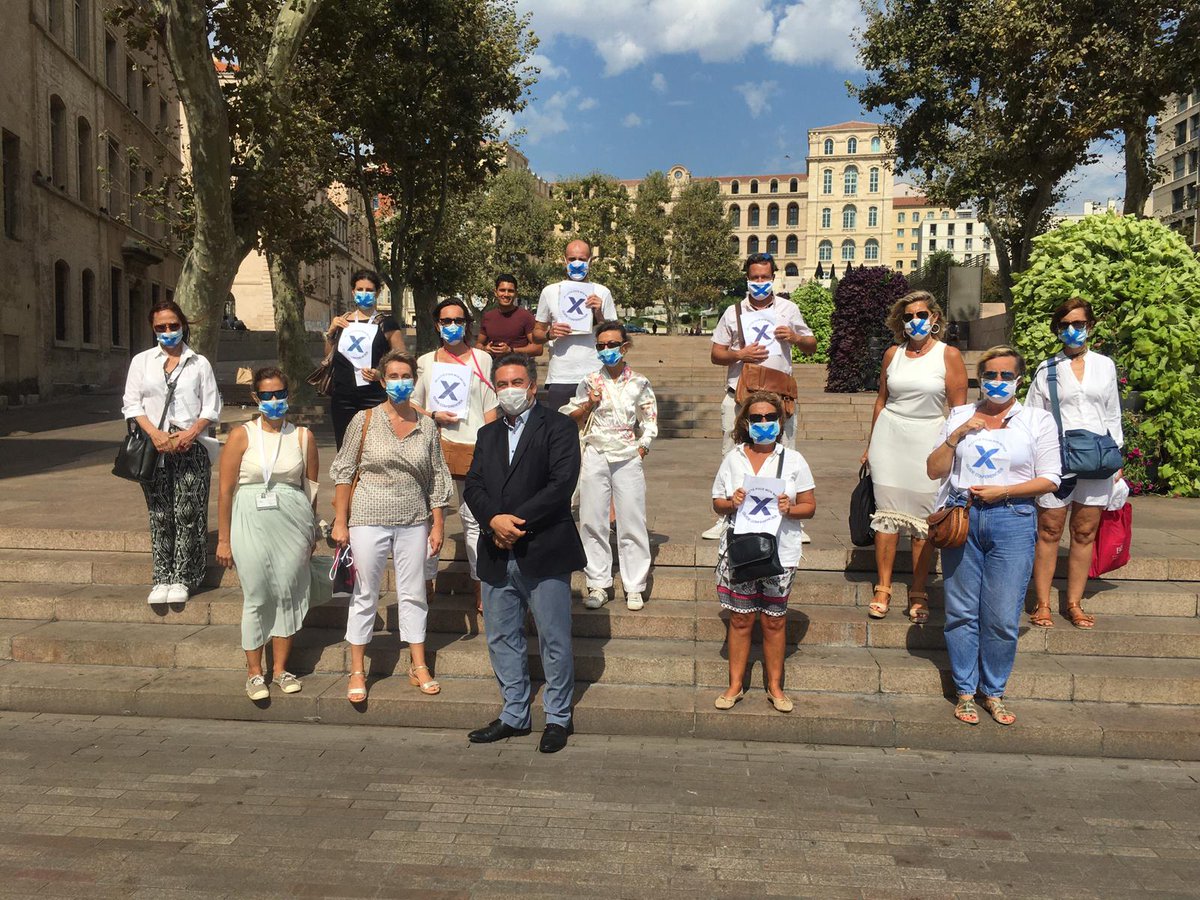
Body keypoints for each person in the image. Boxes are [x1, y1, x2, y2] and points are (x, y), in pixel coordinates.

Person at [926, 346, 1061, 727]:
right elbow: (933, 470)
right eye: (990, 375)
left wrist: (1004, 491)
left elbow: (1050, 477)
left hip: (1012, 519)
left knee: (1002, 615)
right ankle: (966, 690)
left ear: (1019, 379)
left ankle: (994, 690)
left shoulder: (1036, 420)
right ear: (979, 379)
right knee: (961, 611)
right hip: (963, 520)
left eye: (1006, 376)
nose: (997, 383)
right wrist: (956, 436)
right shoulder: (960, 415)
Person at [463, 353, 586, 753]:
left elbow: (560, 484)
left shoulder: (560, 427)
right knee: (502, 636)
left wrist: (514, 522)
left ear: (532, 386)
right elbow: (474, 486)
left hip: (543, 546)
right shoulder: (488, 434)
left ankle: (557, 717)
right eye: (502, 383)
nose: (510, 389)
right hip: (496, 551)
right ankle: (514, 713)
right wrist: (492, 521)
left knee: (553, 637)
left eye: (517, 382)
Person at [329, 350, 452, 704]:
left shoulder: (427, 425)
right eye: (394, 376)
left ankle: (418, 663)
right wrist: (341, 521)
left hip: (414, 519)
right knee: (365, 592)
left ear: (415, 380)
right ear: (382, 381)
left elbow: (437, 478)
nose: (400, 382)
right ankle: (356, 668)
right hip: (368, 516)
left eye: (406, 376)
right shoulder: (364, 420)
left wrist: (438, 524)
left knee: (413, 591)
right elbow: (343, 470)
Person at [215, 367, 329, 700]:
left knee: (289, 593)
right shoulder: (241, 435)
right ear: (256, 398)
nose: (274, 400)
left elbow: (310, 487)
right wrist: (223, 538)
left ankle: (280, 669)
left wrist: (311, 532)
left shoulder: (303, 436)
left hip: (292, 522)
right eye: (267, 395)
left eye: (279, 394)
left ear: (288, 395)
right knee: (258, 593)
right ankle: (254, 672)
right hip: (250, 519)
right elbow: (224, 490)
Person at [862, 291, 968, 622]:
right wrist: (870, 443)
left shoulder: (948, 355)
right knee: (887, 516)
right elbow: (882, 399)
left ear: (935, 318)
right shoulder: (893, 353)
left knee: (924, 521)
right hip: (889, 439)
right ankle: (883, 586)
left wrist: (954, 449)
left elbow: (959, 409)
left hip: (928, 441)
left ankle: (919, 589)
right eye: (908, 317)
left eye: (921, 314)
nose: (915, 321)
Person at [711, 392, 816, 713]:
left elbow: (809, 506)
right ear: (745, 423)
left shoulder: (794, 461)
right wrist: (733, 502)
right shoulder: (733, 459)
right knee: (741, 619)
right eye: (756, 418)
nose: (763, 423)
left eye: (770, 417)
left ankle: (775, 687)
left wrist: (790, 508)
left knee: (774, 622)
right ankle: (735, 685)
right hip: (740, 550)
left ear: (780, 421)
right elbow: (717, 502)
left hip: (780, 552)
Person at [703, 252, 816, 540]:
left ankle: (791, 518)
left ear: (773, 277)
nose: (760, 282)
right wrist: (739, 354)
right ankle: (728, 516)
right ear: (747, 279)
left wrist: (794, 337)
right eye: (755, 278)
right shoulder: (734, 312)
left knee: (785, 454)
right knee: (733, 453)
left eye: (765, 277)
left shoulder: (788, 309)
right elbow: (717, 353)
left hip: (779, 395)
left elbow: (811, 344)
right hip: (741, 394)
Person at [1026, 299, 1124, 630]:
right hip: (1057, 459)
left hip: (1097, 460)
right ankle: (1042, 604)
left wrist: (1117, 457)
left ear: (1089, 326)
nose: (1072, 330)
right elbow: (1033, 418)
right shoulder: (1046, 368)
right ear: (1057, 329)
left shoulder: (1105, 366)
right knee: (1050, 529)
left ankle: (1073, 603)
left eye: (1078, 323)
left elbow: (1112, 412)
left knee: (1084, 532)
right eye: (1065, 324)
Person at [122, 299, 222, 605]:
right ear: (153, 329)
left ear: (183, 326)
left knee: (189, 513)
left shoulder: (199, 363)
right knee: (161, 512)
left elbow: (211, 406)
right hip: (155, 448)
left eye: (173, 326)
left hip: (190, 447)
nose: (168, 332)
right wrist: (155, 434)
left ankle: (185, 576)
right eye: (161, 327)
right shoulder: (142, 361)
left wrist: (191, 433)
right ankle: (162, 575)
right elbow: (132, 403)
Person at [562, 321, 658, 611]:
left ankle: (634, 585)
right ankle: (598, 582)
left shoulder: (640, 382)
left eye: (612, 345)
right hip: (596, 450)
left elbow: (649, 420)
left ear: (624, 346)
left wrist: (642, 447)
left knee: (631, 518)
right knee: (592, 519)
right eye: (601, 346)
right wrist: (590, 403)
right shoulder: (591, 380)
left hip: (627, 452)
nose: (607, 350)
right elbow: (571, 416)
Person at [414, 298, 499, 615]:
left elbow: (490, 405)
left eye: (458, 320)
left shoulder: (482, 359)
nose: (452, 326)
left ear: (467, 323)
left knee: (474, 520)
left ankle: (481, 584)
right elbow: (413, 404)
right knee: (427, 518)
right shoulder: (425, 362)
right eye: (446, 320)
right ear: (437, 324)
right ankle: (425, 578)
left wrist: (493, 447)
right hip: (436, 447)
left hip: (474, 448)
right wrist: (434, 415)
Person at [532, 239, 618, 412]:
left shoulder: (602, 292)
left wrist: (599, 314)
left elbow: (616, 335)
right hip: (561, 376)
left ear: (590, 261)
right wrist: (550, 333)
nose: (577, 264)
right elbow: (536, 334)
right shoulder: (550, 291)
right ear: (565, 261)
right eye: (572, 259)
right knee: (561, 433)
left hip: (595, 374)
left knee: (596, 432)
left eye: (582, 259)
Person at [324, 269, 405, 449]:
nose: (364, 294)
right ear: (353, 292)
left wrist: (381, 374)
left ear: (377, 293)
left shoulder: (387, 323)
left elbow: (402, 359)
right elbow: (329, 357)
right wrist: (330, 333)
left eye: (369, 290)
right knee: (345, 448)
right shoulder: (343, 322)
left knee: (375, 447)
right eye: (360, 289)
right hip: (343, 397)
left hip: (374, 396)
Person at [478, 274, 542, 359]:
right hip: (493, 369)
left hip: (518, 368)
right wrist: (485, 348)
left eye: (510, 291)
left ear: (516, 293)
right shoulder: (488, 316)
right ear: (495, 292)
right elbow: (478, 345)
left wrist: (511, 351)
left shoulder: (526, 316)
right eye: (502, 290)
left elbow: (538, 349)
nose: (506, 294)